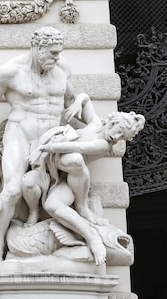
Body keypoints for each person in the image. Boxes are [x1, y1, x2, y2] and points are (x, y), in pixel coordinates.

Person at [0, 26, 76, 263]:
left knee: (69, 176)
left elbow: (71, 102)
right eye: (53, 53)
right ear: (38, 47)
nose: (57, 58)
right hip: (20, 133)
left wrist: (97, 129)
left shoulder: (62, 67)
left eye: (59, 52)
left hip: (52, 138)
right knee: (12, 190)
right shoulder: (10, 72)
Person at [23, 95, 144, 264]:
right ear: (113, 122)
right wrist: (78, 103)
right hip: (51, 169)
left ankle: (91, 234)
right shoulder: (94, 123)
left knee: (71, 167)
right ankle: (34, 212)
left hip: (73, 178)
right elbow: (85, 98)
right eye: (118, 131)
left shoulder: (103, 145)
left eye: (121, 137)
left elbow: (77, 147)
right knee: (28, 184)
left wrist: (46, 148)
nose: (116, 137)